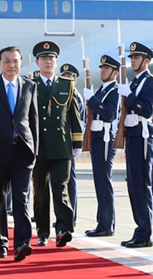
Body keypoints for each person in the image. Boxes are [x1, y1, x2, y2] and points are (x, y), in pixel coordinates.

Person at [0, 46, 38, 262]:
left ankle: (22, 243)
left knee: (21, 198)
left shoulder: (30, 86)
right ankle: (1, 241)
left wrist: (34, 150)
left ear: (21, 62)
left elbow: (33, 120)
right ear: (0, 63)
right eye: (7, 60)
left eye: (16, 60)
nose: (12, 64)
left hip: (22, 151)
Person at [31, 41, 82, 248]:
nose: (48, 61)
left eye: (51, 58)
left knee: (60, 189)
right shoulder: (30, 84)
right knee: (41, 191)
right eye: (44, 58)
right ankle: (42, 231)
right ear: (37, 62)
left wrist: (77, 143)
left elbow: (74, 117)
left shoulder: (66, 85)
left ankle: (63, 229)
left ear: (56, 61)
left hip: (62, 147)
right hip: (39, 147)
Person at [117, 41, 153, 249]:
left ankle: (145, 232)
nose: (133, 60)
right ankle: (140, 229)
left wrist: (129, 96)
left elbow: (147, 110)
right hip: (132, 136)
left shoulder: (150, 82)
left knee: (141, 185)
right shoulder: (134, 83)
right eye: (131, 57)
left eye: (136, 57)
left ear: (146, 60)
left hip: (142, 137)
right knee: (133, 185)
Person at [83, 55, 120, 237]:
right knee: (99, 181)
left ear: (115, 72)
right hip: (97, 138)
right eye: (102, 68)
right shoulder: (101, 90)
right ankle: (102, 221)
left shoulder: (114, 90)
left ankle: (107, 224)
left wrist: (92, 101)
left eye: (107, 68)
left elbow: (109, 114)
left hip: (106, 139)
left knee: (104, 182)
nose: (103, 71)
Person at [59, 63, 85, 225]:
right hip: (58, 142)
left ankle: (72, 215)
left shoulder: (76, 96)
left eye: (69, 77)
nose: (67, 79)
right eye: (64, 76)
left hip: (69, 143)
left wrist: (77, 143)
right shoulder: (60, 94)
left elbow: (78, 122)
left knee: (70, 181)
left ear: (75, 79)